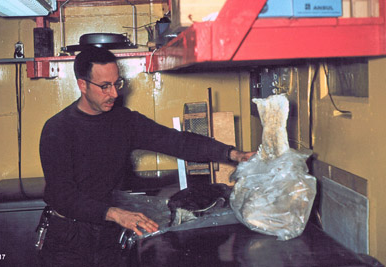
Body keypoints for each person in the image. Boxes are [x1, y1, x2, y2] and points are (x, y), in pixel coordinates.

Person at [38, 46, 254, 267]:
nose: (114, 94)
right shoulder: (58, 130)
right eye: (104, 86)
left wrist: (231, 153)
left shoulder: (124, 121)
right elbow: (63, 196)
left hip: (106, 234)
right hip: (68, 239)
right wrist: (115, 214)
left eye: (117, 84)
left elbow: (176, 141)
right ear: (82, 85)